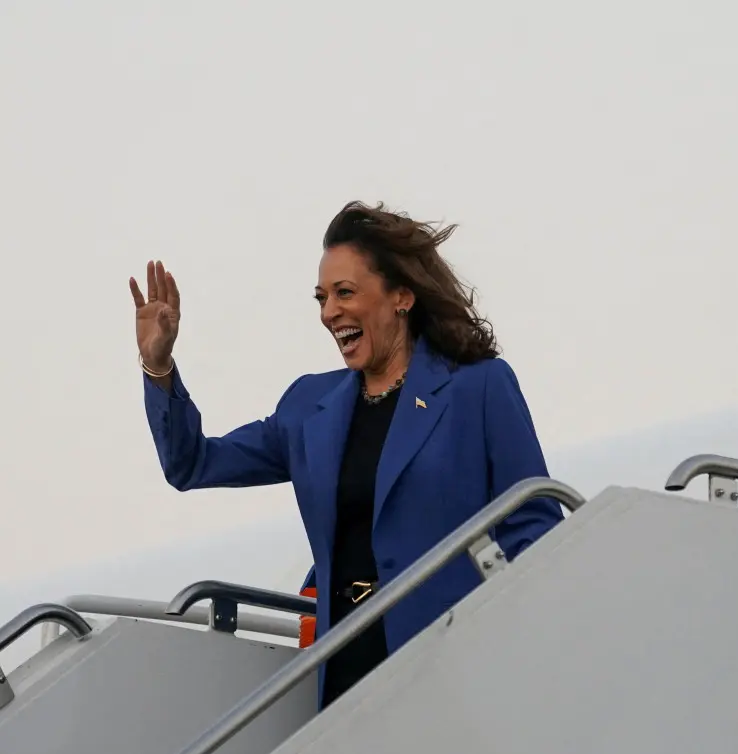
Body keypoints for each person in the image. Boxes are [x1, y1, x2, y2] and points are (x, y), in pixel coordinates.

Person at [131, 200, 564, 709]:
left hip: (454, 668)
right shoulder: (308, 408)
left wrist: (508, 645)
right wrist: (158, 366)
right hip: (345, 670)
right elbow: (193, 464)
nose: (329, 311)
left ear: (401, 296)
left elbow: (535, 526)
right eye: (321, 297)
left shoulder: (480, 387)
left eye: (345, 293)